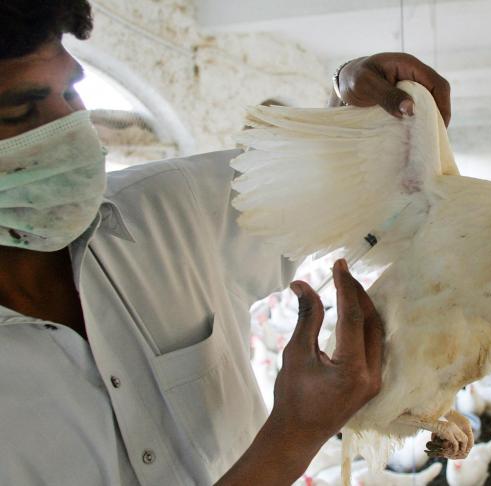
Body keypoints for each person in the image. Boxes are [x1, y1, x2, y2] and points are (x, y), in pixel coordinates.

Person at [0, 1, 452, 484]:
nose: (70, 127)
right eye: (20, 111)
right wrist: (295, 434)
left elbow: (336, 182)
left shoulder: (169, 207)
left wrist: (355, 100)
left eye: (70, 92)